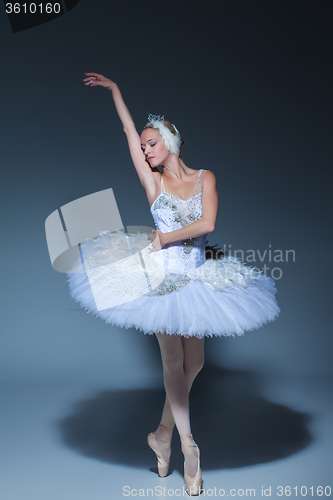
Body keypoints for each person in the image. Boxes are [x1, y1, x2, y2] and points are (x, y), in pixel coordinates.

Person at [66, 72, 280, 496]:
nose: (145, 151)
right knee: (171, 363)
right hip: (160, 279)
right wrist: (116, 92)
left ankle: (161, 435)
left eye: (151, 143)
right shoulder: (154, 183)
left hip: (199, 277)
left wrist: (165, 236)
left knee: (194, 364)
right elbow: (127, 130)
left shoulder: (205, 179)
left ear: (171, 142)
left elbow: (209, 223)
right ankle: (188, 446)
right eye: (143, 146)